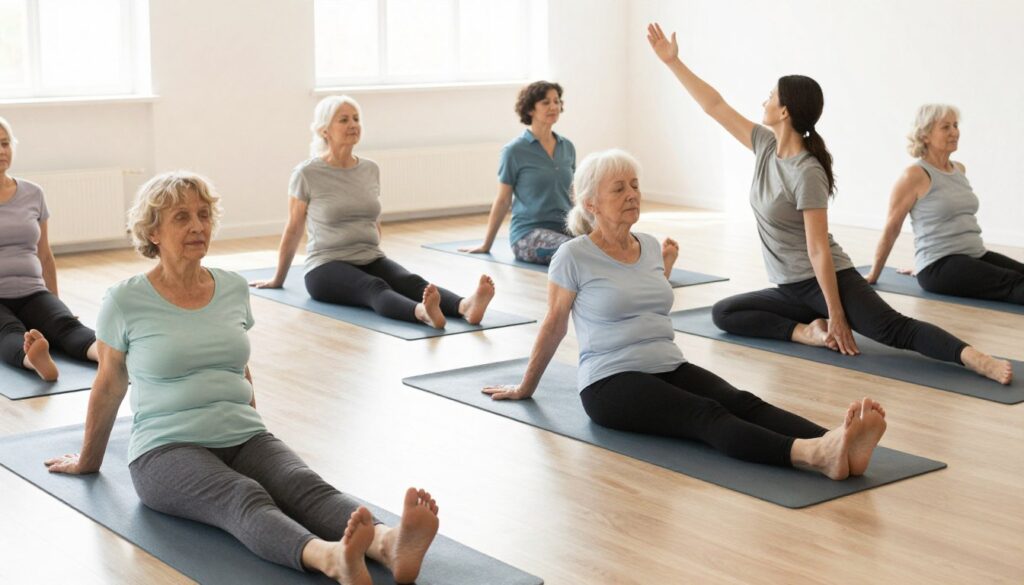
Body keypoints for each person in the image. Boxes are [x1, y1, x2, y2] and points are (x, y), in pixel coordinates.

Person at [44, 172, 440, 585]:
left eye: (203, 215)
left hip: (242, 433)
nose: (197, 226)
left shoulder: (232, 287)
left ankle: (387, 544)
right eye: (181, 217)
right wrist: (88, 461)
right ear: (153, 232)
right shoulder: (124, 300)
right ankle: (332, 558)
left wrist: (259, 436)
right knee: (243, 495)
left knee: (302, 484)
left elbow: (238, 368)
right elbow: (109, 384)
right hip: (165, 448)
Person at [483, 149, 887, 480]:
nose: (631, 194)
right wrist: (525, 385)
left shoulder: (651, 246)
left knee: (741, 401)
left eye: (636, 186)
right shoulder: (573, 256)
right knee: (704, 415)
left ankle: (838, 438)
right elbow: (554, 324)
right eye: (618, 189)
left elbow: (643, 297)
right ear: (590, 203)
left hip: (667, 364)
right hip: (610, 383)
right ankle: (813, 454)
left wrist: (667, 268)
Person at [646, 23, 1012, 385]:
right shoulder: (764, 145)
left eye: (770, 95)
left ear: (785, 111)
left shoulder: (807, 172)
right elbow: (715, 105)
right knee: (726, 313)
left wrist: (837, 312)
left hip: (829, 280)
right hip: (791, 286)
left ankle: (976, 359)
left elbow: (818, 250)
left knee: (893, 329)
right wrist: (672, 63)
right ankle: (807, 332)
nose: (763, 101)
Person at [251, 95, 494, 329]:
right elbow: (294, 228)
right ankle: (423, 313)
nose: (353, 125)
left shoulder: (369, 169)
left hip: (369, 256)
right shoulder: (306, 174)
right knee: (374, 287)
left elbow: (373, 216)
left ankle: (465, 306)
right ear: (324, 130)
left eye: (356, 118)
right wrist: (278, 279)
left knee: (410, 281)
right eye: (344, 120)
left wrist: (374, 249)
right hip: (325, 266)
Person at [866, 104, 1023, 304]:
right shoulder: (913, 175)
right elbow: (891, 228)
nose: (954, 132)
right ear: (925, 135)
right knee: (1014, 283)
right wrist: (874, 274)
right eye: (945, 127)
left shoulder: (959, 169)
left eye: (956, 125)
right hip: (940, 265)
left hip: (974, 255)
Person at [0, 116, 98, 381]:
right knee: (8, 332)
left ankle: (107, 353)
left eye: (5, 143)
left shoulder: (33, 193)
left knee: (65, 325)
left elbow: (45, 254)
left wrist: (56, 300)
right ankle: (34, 360)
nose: (1, 151)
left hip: (33, 290)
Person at [460, 81, 576, 264]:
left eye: (557, 101)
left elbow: (573, 194)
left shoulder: (567, 147)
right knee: (574, 251)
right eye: (546, 102)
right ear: (530, 110)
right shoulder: (514, 151)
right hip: (528, 234)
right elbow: (503, 200)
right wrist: (486, 245)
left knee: (602, 246)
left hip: (565, 228)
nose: (554, 106)